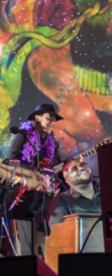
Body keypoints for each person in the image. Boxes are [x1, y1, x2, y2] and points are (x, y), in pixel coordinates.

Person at [6, 102, 64, 256]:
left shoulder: (53, 142)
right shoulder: (22, 135)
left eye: (54, 120)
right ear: (37, 117)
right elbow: (11, 162)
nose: (52, 122)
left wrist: (68, 166)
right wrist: (32, 173)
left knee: (50, 237)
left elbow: (56, 167)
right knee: (28, 245)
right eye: (48, 118)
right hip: (24, 194)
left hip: (44, 195)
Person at [47, 157, 102, 227]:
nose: (81, 168)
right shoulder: (60, 201)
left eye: (83, 165)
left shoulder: (108, 194)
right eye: (74, 169)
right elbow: (58, 233)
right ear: (68, 180)